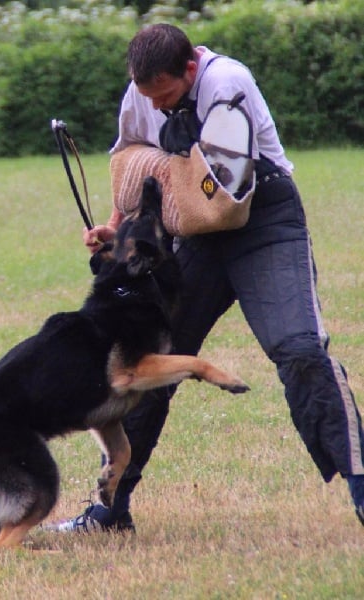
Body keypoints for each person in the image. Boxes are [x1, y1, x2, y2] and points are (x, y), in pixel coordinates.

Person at [47, 23, 364, 533]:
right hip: (194, 232)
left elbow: (227, 190)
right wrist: (118, 227)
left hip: (263, 222)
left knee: (300, 350)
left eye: (165, 94)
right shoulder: (141, 92)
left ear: (190, 69)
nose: (155, 105)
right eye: (147, 95)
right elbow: (131, 163)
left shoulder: (227, 82)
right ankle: (109, 510)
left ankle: (362, 487)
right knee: (144, 364)